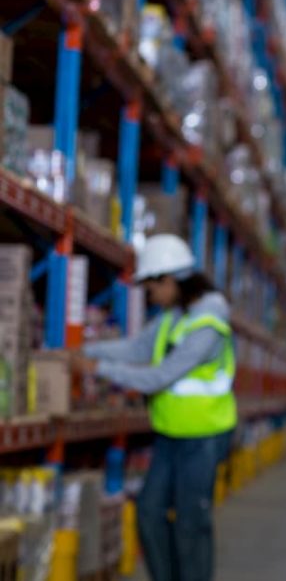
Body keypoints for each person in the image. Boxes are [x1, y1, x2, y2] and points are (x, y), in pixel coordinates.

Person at [70, 233, 236, 581]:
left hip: (204, 437)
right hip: (170, 433)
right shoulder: (175, 316)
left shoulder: (208, 323)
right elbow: (136, 348)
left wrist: (97, 370)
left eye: (151, 287)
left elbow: (158, 377)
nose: (149, 295)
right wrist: (86, 352)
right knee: (148, 511)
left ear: (170, 278)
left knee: (191, 523)